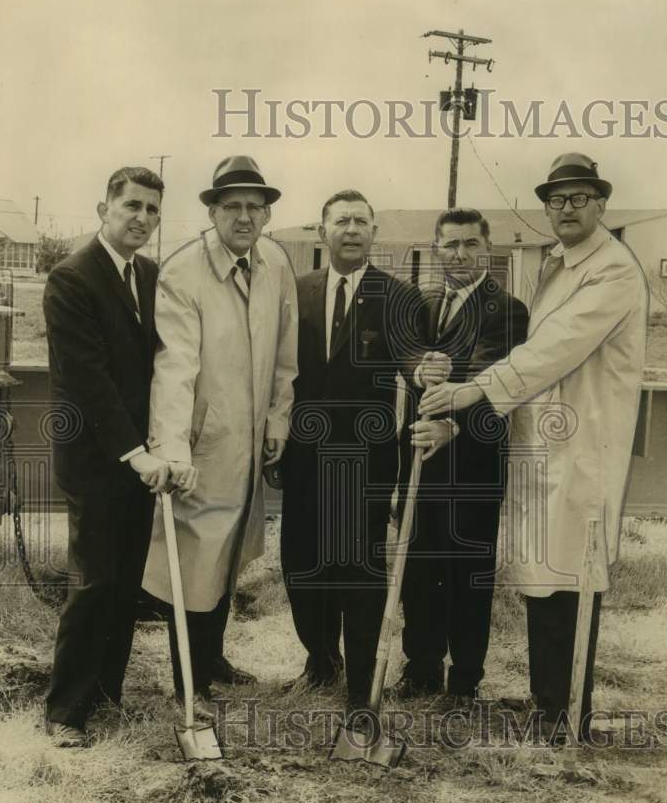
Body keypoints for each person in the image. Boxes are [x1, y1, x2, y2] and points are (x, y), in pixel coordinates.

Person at [419, 153, 648, 740]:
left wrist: (471, 393)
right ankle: (548, 701)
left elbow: (552, 352)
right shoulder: (559, 264)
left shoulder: (613, 270)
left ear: (601, 204)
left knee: (574, 572)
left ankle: (566, 713)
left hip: (584, 442)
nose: (566, 209)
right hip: (544, 441)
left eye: (578, 199)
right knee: (544, 572)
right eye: (556, 200)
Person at [142, 156, 297, 713]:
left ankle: (211, 659)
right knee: (197, 559)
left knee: (230, 554)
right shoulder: (185, 271)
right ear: (211, 211)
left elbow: (285, 355)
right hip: (204, 445)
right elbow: (175, 368)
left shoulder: (276, 263)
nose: (244, 216)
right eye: (231, 206)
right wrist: (173, 449)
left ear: (267, 214)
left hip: (252, 442)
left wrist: (279, 419)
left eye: (255, 207)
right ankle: (188, 682)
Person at [280, 189, 432, 719]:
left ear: (373, 232)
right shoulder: (294, 291)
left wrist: (422, 370)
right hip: (300, 455)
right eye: (340, 220)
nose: (350, 229)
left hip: (363, 457)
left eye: (360, 221)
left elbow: (411, 356)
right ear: (321, 231)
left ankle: (360, 685)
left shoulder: (398, 296)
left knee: (357, 569)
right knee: (302, 563)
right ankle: (320, 660)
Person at [43, 166, 169, 748]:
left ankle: (106, 697)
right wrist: (135, 452)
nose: (142, 219)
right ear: (104, 210)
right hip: (97, 459)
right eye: (132, 207)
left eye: (152, 210)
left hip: (140, 458)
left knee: (125, 584)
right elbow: (89, 380)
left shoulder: (148, 273)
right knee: (94, 582)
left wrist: (158, 448)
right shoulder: (71, 278)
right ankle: (65, 711)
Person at [400, 209, 529, 709]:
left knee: (466, 575)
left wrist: (451, 426)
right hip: (421, 463)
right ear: (436, 249)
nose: (460, 254)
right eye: (450, 245)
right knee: (420, 570)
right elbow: (409, 361)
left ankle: (464, 680)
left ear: (487, 249)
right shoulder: (425, 304)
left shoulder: (507, 310)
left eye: (471, 245)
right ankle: (422, 668)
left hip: (472, 465)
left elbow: (493, 385)